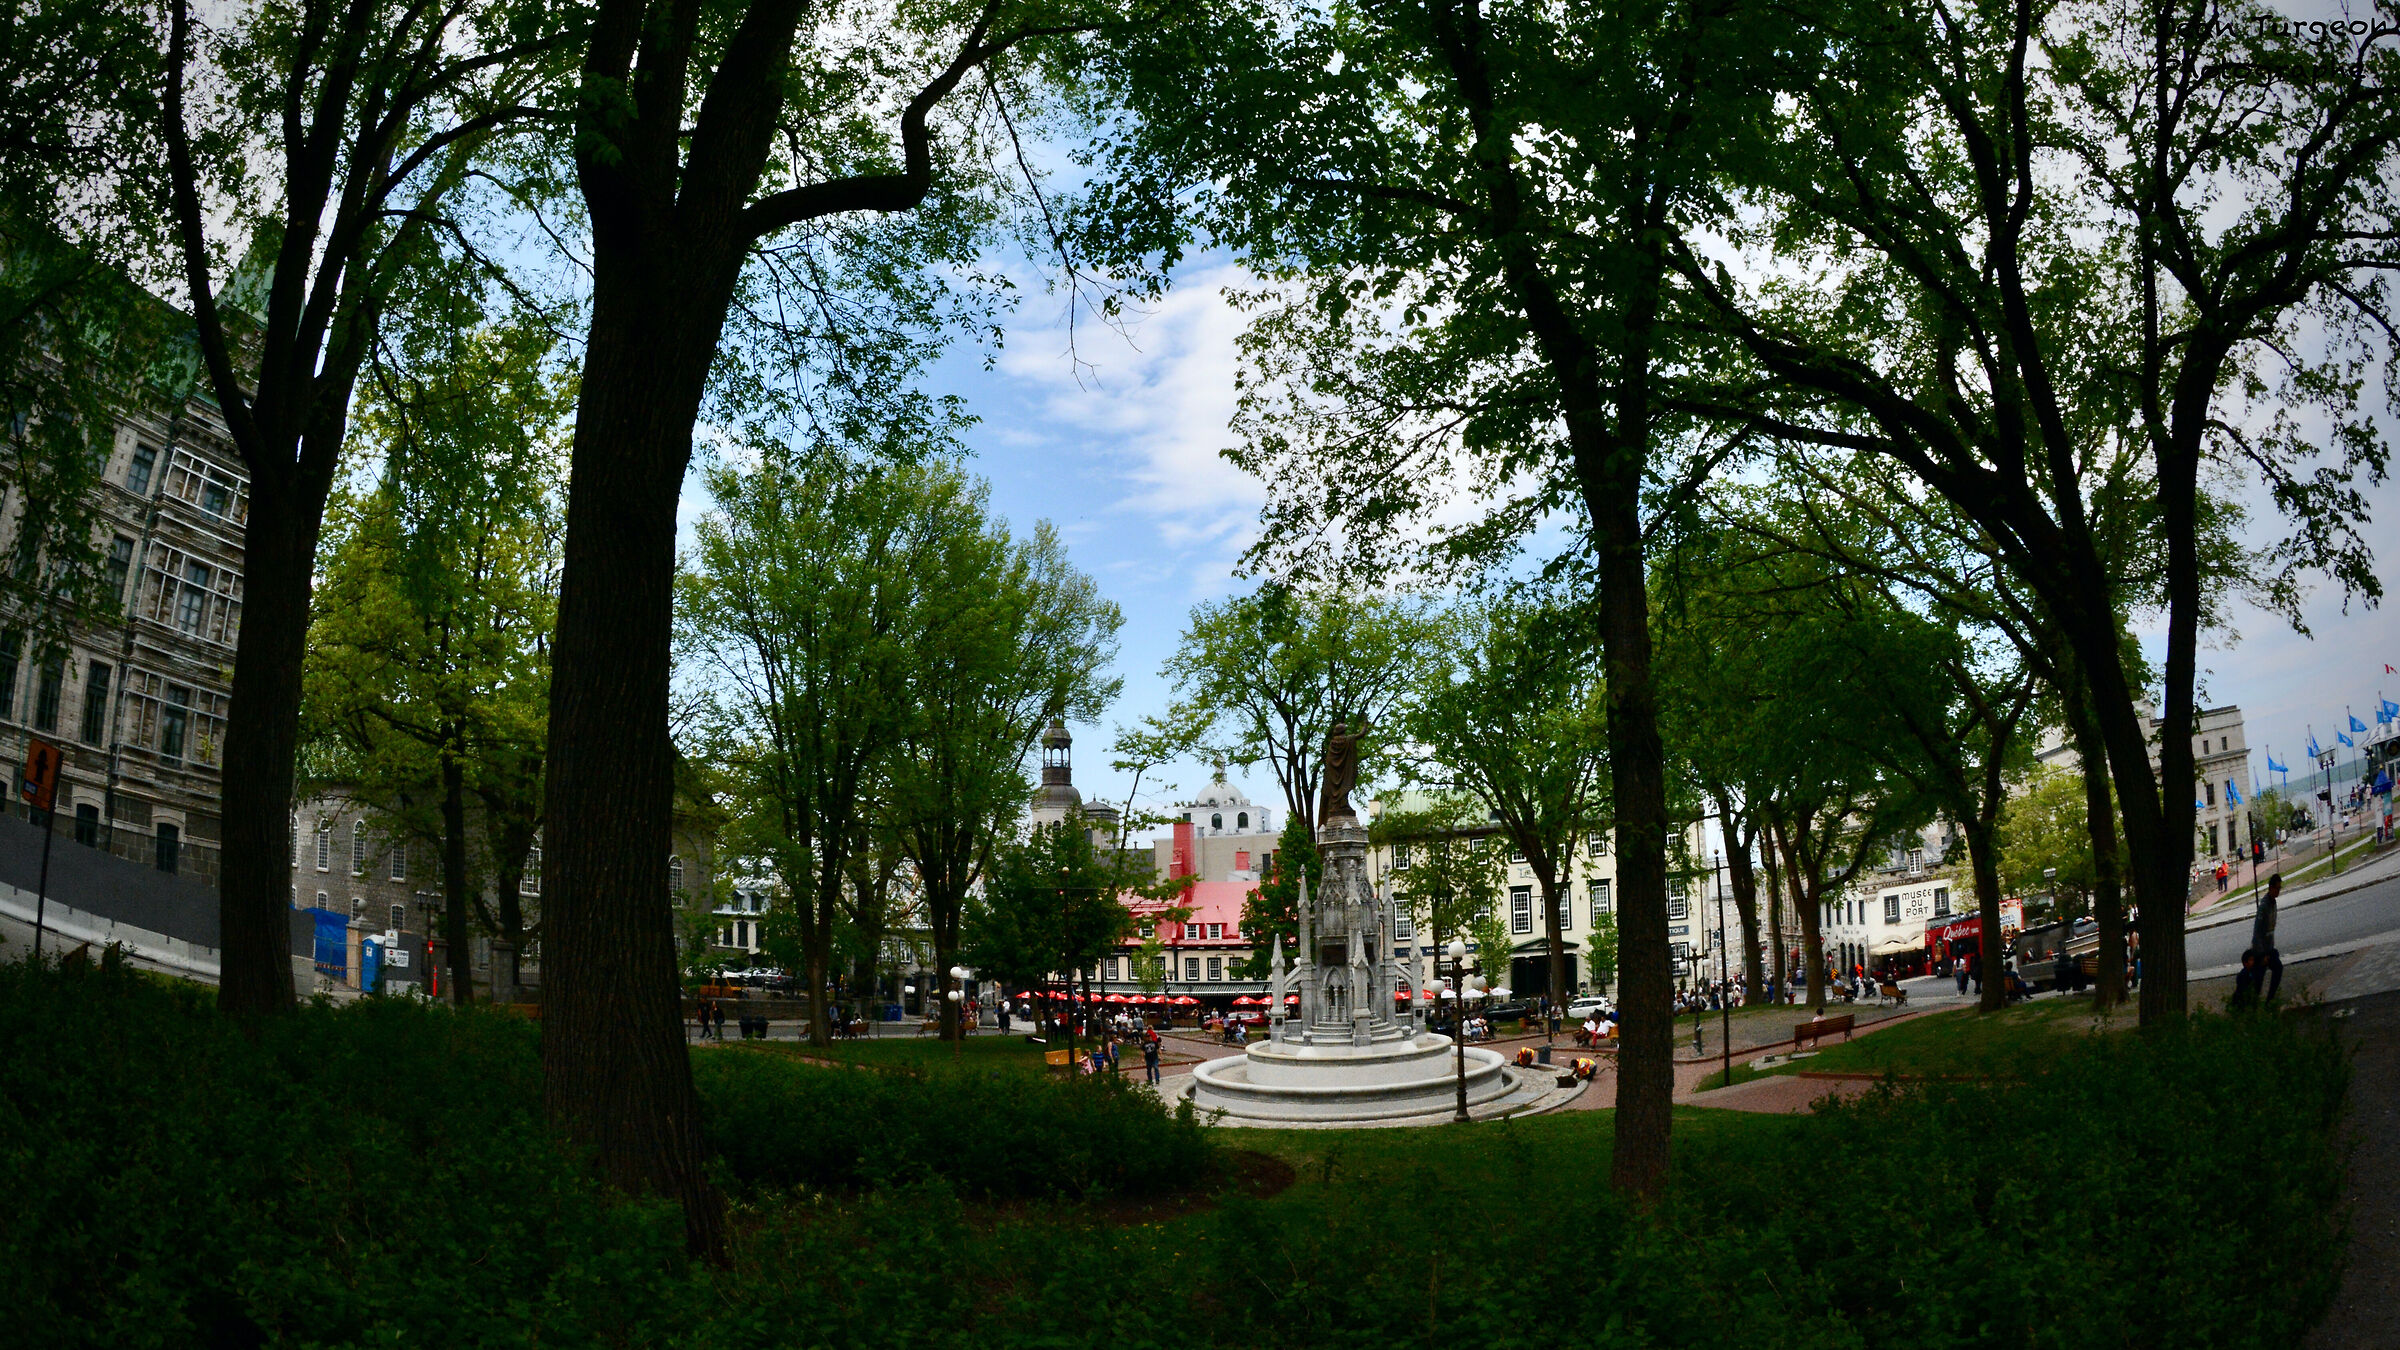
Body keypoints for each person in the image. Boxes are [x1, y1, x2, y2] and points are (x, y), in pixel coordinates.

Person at [2251, 874, 2285, 1001]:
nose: (2278, 891)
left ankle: (2269, 1001)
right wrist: (2262, 954)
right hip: (2260, 952)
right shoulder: (2264, 906)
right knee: (2257, 983)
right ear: (2271, 888)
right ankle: (2252, 1008)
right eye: (2277, 888)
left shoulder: (2273, 903)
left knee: (2278, 968)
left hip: (2269, 949)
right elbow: (2257, 932)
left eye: (2280, 888)